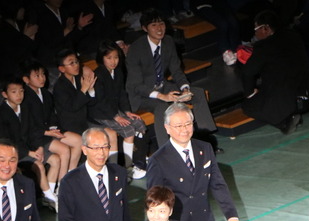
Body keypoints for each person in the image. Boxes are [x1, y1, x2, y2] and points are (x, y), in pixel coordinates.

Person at [125, 8, 217, 145]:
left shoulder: (168, 41)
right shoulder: (136, 49)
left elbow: (176, 70)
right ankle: (166, 150)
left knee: (197, 93)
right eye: (154, 25)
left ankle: (206, 139)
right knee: (161, 107)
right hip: (141, 95)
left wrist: (185, 88)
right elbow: (137, 86)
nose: (159, 29)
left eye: (161, 24)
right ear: (145, 28)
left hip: (162, 86)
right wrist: (162, 96)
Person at [241, 10, 309, 134]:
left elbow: (248, 71)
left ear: (265, 28)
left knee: (248, 106)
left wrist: (250, 93)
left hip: (285, 99)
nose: (255, 33)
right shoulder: (294, 35)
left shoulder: (264, 46)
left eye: (256, 29)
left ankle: (284, 123)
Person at [0, 78, 59, 210]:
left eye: (21, 91)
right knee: (39, 166)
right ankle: (52, 198)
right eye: (14, 92)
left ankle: (49, 194)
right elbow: (7, 141)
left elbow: (33, 130)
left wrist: (39, 147)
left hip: (32, 146)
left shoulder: (25, 106)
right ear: (5, 94)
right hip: (15, 151)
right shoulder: (1, 114)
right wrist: (29, 152)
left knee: (56, 159)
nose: (19, 95)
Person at [89, 39, 147, 177]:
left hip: (116, 110)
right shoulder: (98, 74)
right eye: (109, 58)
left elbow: (122, 93)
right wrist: (116, 116)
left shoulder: (118, 72)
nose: (113, 61)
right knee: (128, 129)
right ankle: (127, 167)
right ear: (101, 58)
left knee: (139, 123)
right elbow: (100, 101)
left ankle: (138, 159)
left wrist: (127, 112)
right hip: (101, 113)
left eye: (115, 57)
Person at [21, 59, 82, 175]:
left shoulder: (46, 93)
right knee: (64, 150)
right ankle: (63, 184)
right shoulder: (25, 98)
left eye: (43, 74)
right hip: (37, 137)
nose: (42, 78)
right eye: (37, 76)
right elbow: (29, 125)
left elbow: (52, 115)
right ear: (26, 79)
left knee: (78, 140)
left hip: (50, 131)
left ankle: (71, 174)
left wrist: (53, 128)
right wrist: (47, 132)